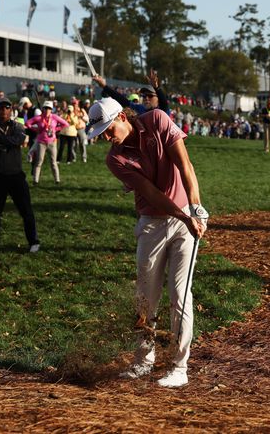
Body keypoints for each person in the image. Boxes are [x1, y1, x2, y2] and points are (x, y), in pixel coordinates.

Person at [87, 97, 208, 389]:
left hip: (184, 223)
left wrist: (195, 208)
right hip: (151, 223)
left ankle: (179, 367)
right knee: (144, 297)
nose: (105, 137)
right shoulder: (114, 158)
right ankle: (143, 360)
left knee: (180, 295)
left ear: (122, 118)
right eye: (100, 132)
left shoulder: (157, 121)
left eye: (107, 129)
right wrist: (183, 214)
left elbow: (185, 164)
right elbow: (149, 192)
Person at [0, 97, 39, 255]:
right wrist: (7, 143)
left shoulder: (17, 125)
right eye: (1, 108)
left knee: (26, 209)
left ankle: (33, 241)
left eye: (7, 108)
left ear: (10, 110)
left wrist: (0, 140)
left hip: (16, 175)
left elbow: (20, 139)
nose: (4, 111)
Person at [25, 101, 68, 185]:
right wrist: (35, 129)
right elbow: (27, 123)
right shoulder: (39, 118)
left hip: (52, 142)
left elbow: (65, 124)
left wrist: (56, 129)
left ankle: (57, 180)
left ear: (51, 109)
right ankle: (35, 180)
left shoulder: (54, 117)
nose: (47, 110)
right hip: (41, 142)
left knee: (53, 162)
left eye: (49, 108)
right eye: (46, 108)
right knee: (39, 161)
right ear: (43, 109)